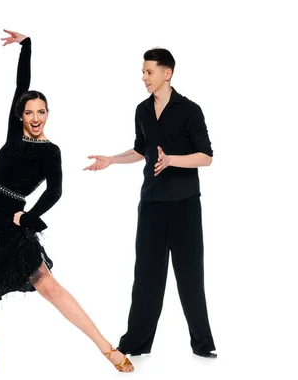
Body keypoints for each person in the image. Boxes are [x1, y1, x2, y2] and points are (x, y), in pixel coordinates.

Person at [0, 29, 134, 375]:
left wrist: (28, 218)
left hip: (11, 218)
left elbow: (55, 191)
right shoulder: (13, 132)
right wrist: (27, 46)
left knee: (49, 287)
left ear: (48, 113)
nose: (35, 117)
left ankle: (107, 348)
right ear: (21, 115)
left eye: (42, 112)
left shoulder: (51, 151)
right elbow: (21, 86)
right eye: (29, 112)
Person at [84, 47, 217, 358]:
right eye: (143, 72)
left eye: (149, 72)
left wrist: (172, 159)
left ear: (166, 73)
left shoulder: (190, 110)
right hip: (152, 204)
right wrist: (112, 160)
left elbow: (206, 157)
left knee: (190, 276)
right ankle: (135, 343)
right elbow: (141, 150)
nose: (143, 77)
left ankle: (202, 344)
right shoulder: (142, 110)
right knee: (146, 275)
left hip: (184, 205)